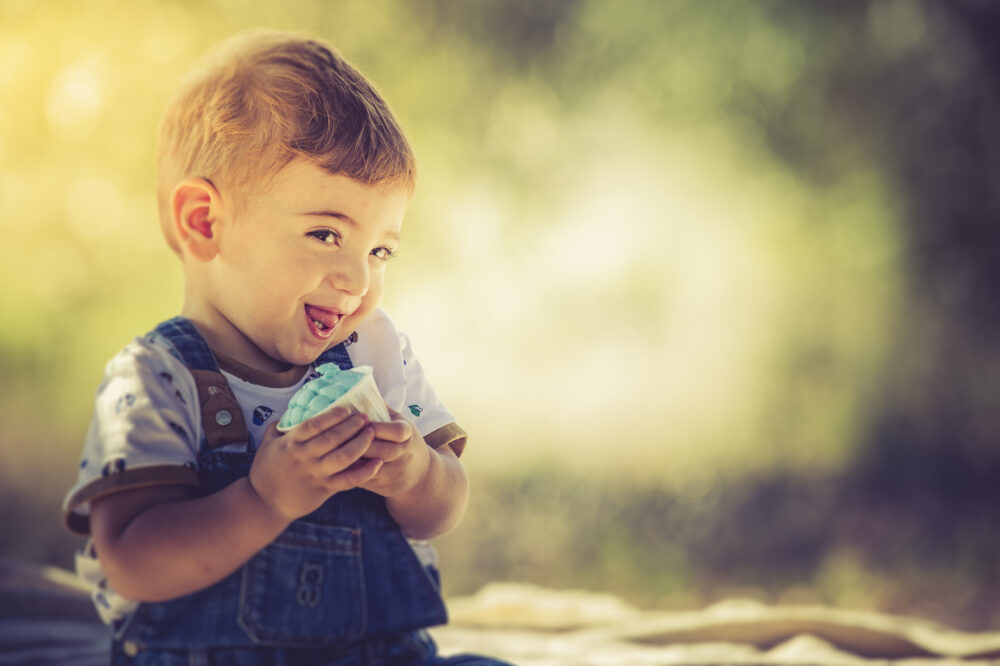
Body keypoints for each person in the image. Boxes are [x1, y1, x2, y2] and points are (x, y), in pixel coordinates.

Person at [62, 30, 509, 665]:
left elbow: (443, 506)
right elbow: (132, 561)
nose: (358, 281)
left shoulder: (372, 351)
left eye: (380, 250)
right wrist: (262, 499)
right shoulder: (154, 380)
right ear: (205, 222)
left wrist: (415, 473)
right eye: (327, 233)